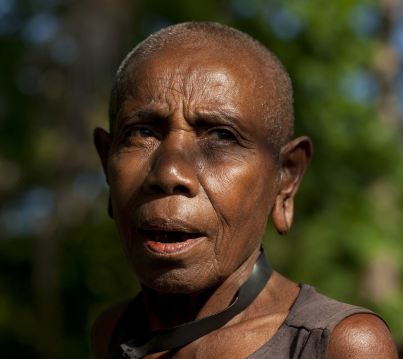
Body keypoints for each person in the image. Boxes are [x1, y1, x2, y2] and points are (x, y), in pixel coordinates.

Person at [91, 22, 398, 359]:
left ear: (287, 178)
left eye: (222, 135)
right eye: (142, 132)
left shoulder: (338, 346)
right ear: (107, 163)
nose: (169, 173)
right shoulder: (112, 332)